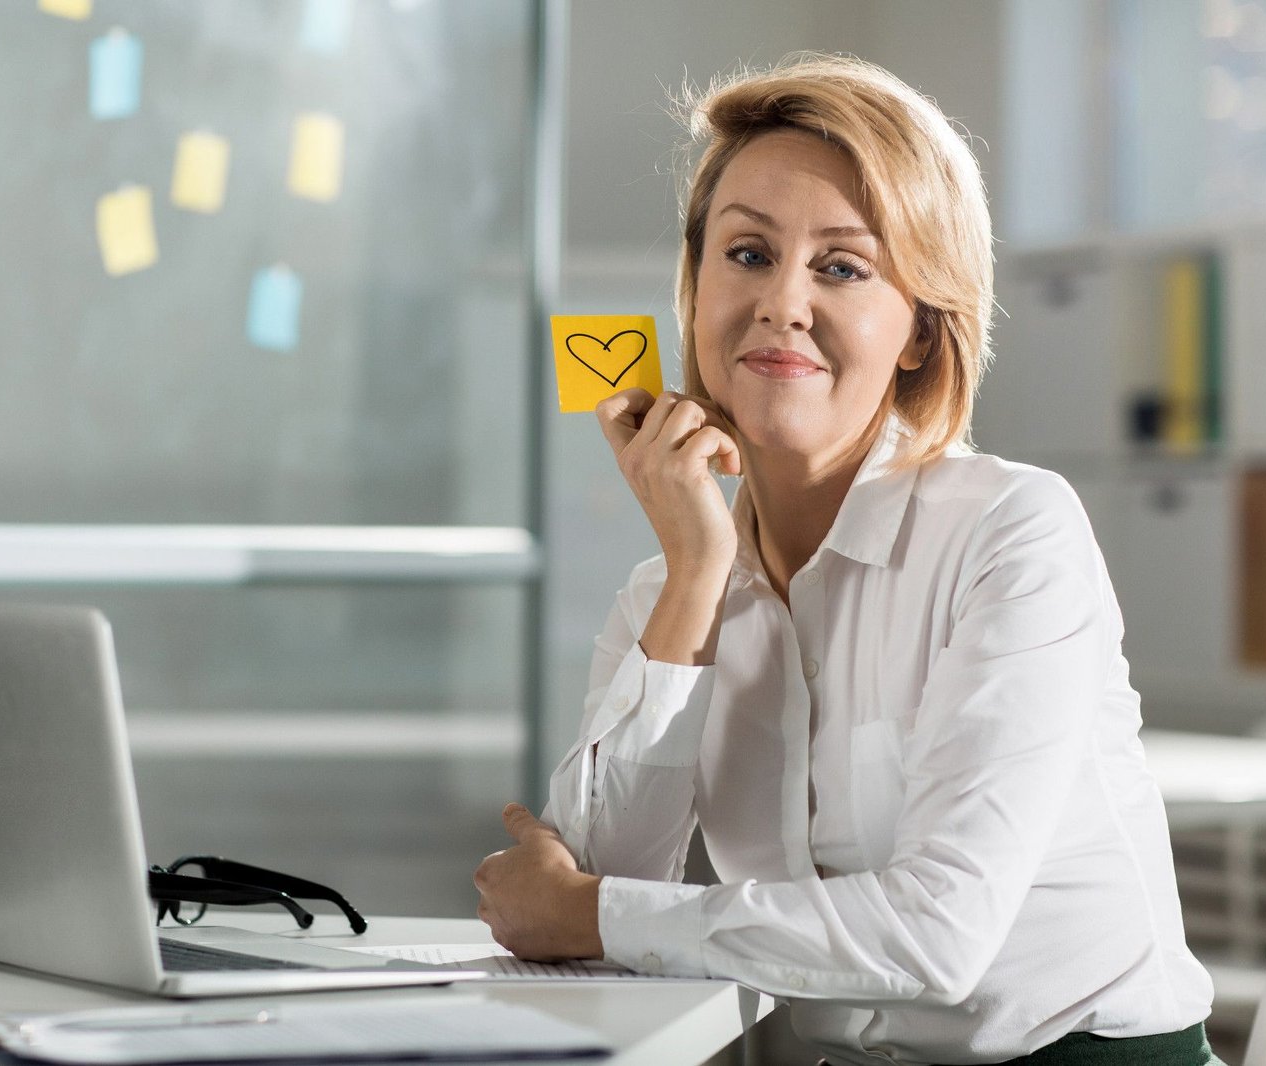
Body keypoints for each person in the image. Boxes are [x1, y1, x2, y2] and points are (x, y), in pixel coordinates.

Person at [472, 53, 1221, 1066]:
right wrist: (696, 570)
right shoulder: (666, 590)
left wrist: (591, 913)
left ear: (919, 331)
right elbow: (596, 892)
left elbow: (933, 936)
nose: (782, 301)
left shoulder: (1010, 531)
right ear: (693, 291)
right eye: (745, 254)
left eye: (840, 266)